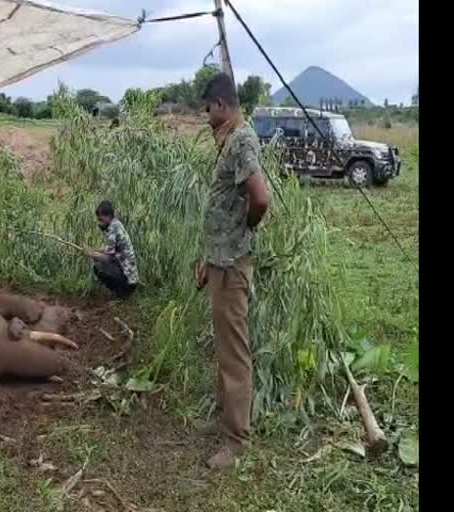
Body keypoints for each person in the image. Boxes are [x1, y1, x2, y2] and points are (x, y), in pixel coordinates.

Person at [193, 72, 271, 470]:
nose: (205, 115)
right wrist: (209, 256)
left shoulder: (241, 139)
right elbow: (225, 205)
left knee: (235, 351)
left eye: (208, 108)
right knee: (224, 345)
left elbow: (259, 198)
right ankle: (223, 418)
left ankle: (237, 440)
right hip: (220, 260)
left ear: (221, 105)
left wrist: (245, 232)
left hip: (233, 262)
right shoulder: (228, 140)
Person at [85, 200, 139, 300]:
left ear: (109, 216)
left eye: (101, 219)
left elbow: (108, 258)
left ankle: (123, 294)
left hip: (128, 279)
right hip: (130, 277)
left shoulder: (112, 229)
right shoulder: (116, 224)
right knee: (99, 260)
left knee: (98, 267)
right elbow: (110, 249)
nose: (99, 223)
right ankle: (122, 293)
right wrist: (93, 250)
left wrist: (91, 254)